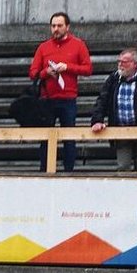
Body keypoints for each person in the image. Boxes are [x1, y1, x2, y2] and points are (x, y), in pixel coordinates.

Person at [28, 12, 92, 172]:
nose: (55, 29)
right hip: (47, 98)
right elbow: (32, 72)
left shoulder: (78, 45)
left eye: (59, 26)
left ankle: (69, 170)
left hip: (68, 98)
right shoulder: (43, 47)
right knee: (45, 137)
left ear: (67, 27)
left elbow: (88, 69)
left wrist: (68, 67)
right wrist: (46, 72)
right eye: (53, 26)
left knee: (69, 136)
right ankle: (45, 169)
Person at [89, 48, 137, 172]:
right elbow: (102, 100)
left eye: (124, 62)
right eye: (119, 61)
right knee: (123, 167)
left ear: (135, 64)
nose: (120, 65)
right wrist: (97, 120)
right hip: (121, 131)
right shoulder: (113, 78)